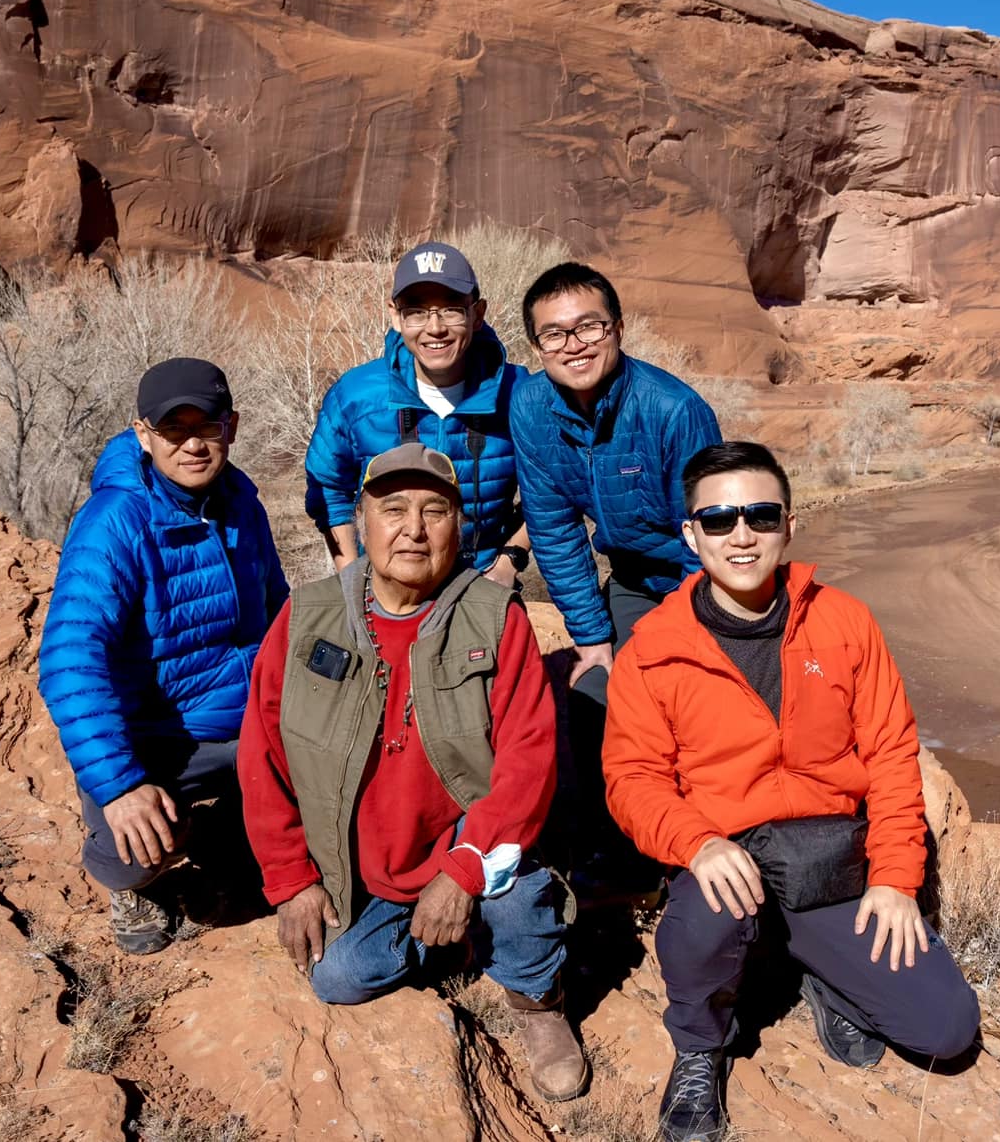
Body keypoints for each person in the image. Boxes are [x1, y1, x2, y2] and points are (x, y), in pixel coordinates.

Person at [603, 442, 981, 1141]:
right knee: (703, 925)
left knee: (946, 1030)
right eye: (717, 520)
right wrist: (697, 841)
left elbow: (893, 756)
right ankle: (699, 1048)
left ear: (789, 525)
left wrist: (897, 878)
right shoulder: (654, 648)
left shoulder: (845, 623)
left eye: (759, 515)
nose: (740, 535)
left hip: (828, 858)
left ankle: (820, 971)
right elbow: (633, 780)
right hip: (728, 856)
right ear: (690, 534)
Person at [238, 443, 587, 1102]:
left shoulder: (495, 620)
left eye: (435, 510)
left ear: (460, 527)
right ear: (362, 522)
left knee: (508, 888)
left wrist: (459, 873)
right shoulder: (309, 614)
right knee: (338, 978)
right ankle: (452, 942)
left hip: (466, 843)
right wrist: (291, 879)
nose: (414, 528)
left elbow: (526, 763)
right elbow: (263, 757)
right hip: (365, 869)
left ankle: (538, 999)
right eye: (393, 508)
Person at [37, 358, 288, 955]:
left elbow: (279, 610)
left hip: (243, 718)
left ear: (232, 425)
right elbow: (70, 659)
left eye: (209, 425)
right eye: (174, 429)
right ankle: (129, 874)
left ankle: (223, 826)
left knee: (337, 775)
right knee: (141, 848)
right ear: (144, 433)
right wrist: (121, 785)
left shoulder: (242, 504)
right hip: (156, 734)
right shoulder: (114, 523)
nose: (194, 443)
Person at [510, 262, 722, 886]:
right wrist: (593, 638)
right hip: (632, 575)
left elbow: (709, 538)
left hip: (702, 579)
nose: (573, 345)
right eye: (554, 334)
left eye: (589, 327)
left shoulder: (673, 410)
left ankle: (705, 836)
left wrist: (677, 635)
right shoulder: (530, 407)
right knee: (596, 690)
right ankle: (616, 850)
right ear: (536, 346)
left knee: (681, 693)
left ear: (618, 328)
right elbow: (552, 528)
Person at [305, 241, 532, 587]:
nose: (435, 327)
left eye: (452, 310)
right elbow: (329, 489)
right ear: (396, 316)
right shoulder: (356, 396)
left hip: (482, 584)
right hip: (384, 590)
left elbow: (555, 487)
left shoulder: (519, 394)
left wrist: (508, 562)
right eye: (417, 311)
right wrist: (352, 579)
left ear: (477, 313)